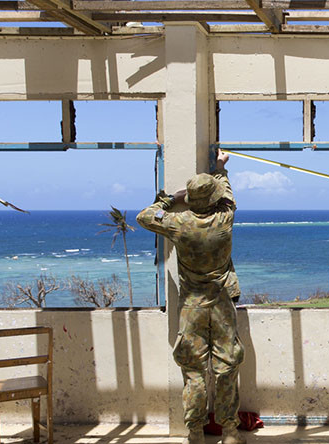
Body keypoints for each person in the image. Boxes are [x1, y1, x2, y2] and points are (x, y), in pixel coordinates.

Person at [137, 150, 246, 444]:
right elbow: (226, 193)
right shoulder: (225, 217)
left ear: (190, 199)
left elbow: (144, 216)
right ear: (212, 199)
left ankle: (195, 430)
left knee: (194, 371)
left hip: (191, 306)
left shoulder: (178, 223)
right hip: (222, 303)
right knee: (226, 367)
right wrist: (220, 167)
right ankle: (230, 432)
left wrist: (170, 199)